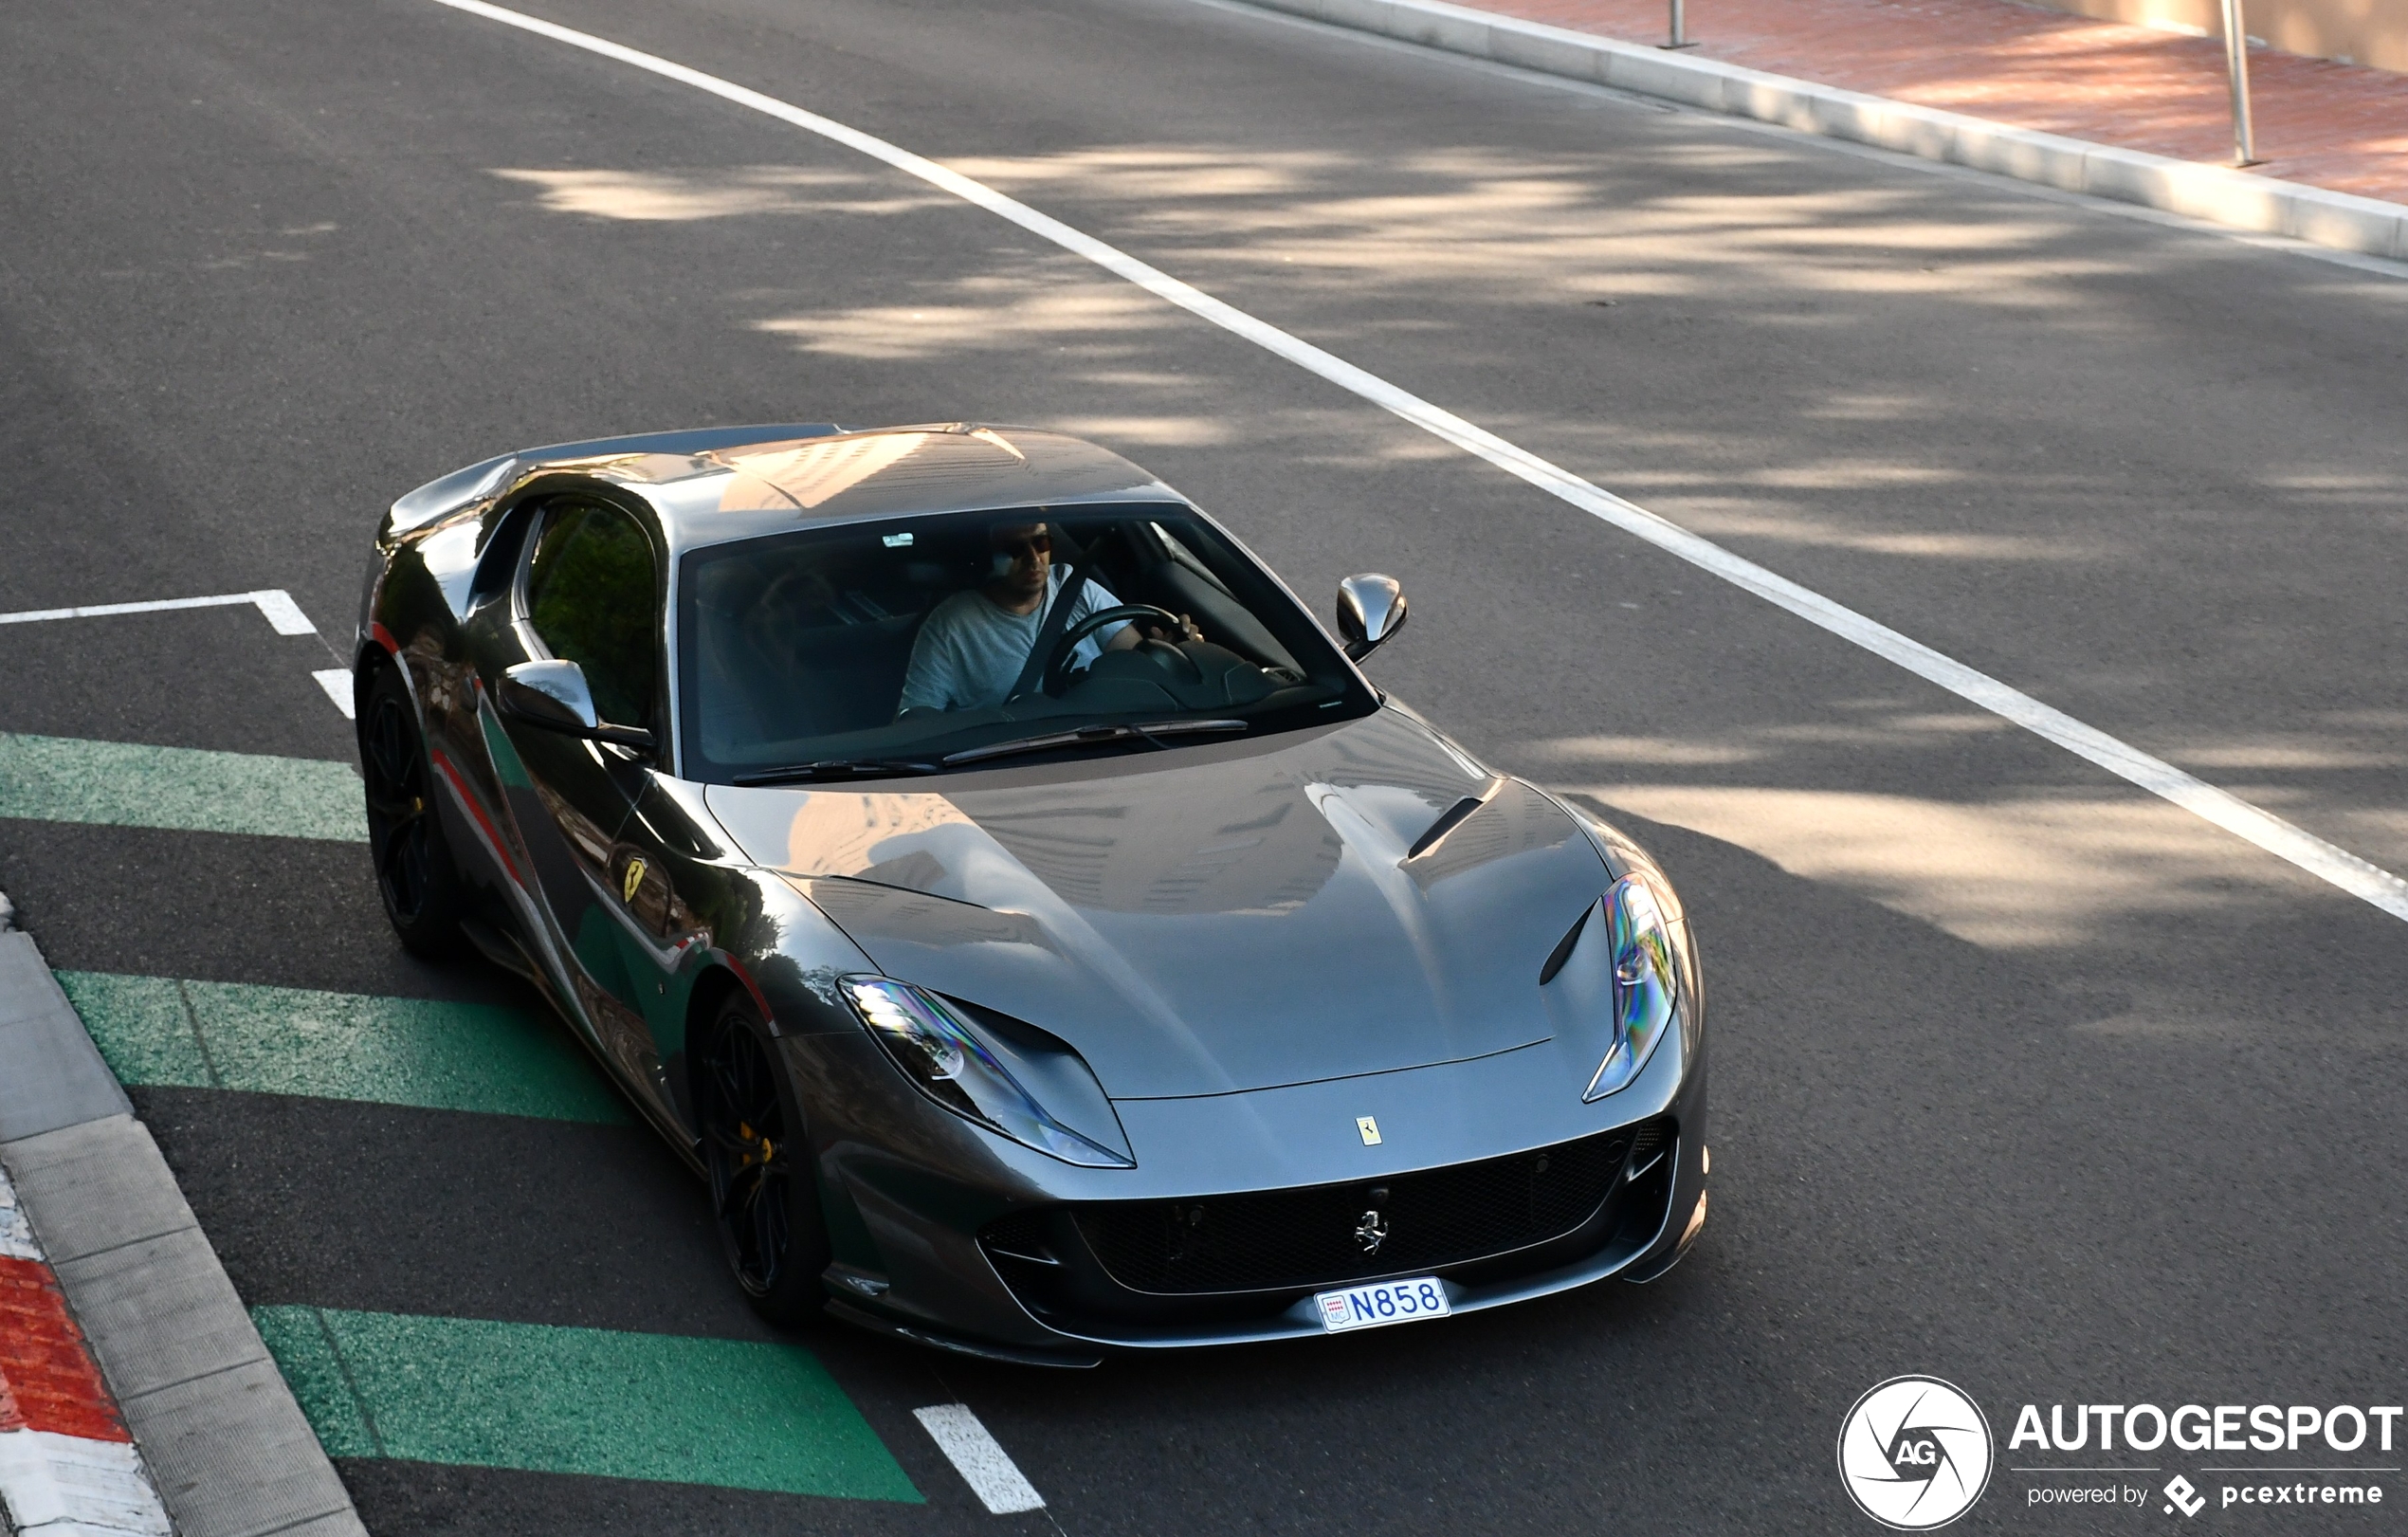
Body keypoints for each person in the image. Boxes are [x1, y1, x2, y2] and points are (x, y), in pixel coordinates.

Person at [896, 521, 1195, 716]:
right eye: (1014, 549)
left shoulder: (1075, 588)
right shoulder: (949, 626)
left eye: (1041, 544)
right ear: (987, 558)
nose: (1033, 558)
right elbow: (916, 719)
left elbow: (1130, 663)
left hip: (1105, 738)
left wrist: (1164, 654)